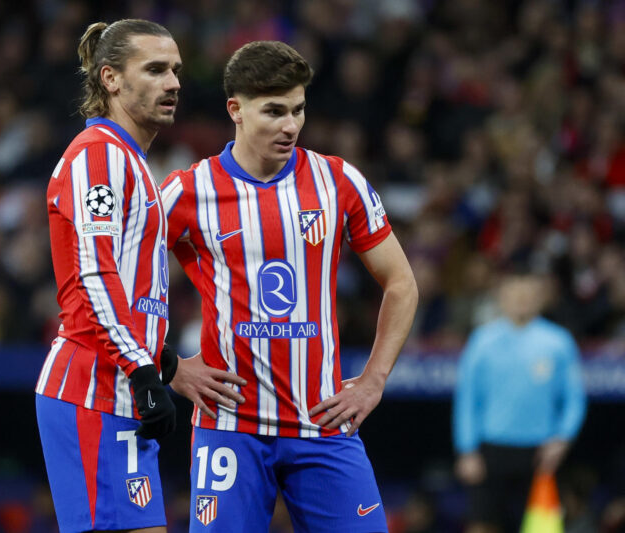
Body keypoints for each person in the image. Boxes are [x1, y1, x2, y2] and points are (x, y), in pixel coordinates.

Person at [160, 41, 418, 532]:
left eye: (298, 109)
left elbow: (401, 284)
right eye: (274, 111)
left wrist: (373, 380)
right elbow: (119, 286)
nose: (291, 125)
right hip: (231, 428)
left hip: (322, 424)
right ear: (235, 109)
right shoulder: (186, 192)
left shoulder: (337, 181)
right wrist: (169, 366)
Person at [35, 19, 243, 533]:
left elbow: (127, 291)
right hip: (92, 389)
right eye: (154, 69)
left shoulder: (129, 161)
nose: (173, 82)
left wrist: (163, 364)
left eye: (174, 70)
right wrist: (145, 371)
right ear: (110, 78)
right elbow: (93, 275)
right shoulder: (98, 157)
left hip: (122, 384)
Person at [453, 271, 587, 533]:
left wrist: (562, 439)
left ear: (540, 298)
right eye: (515, 294)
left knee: (542, 527)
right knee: (482, 525)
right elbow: (467, 399)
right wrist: (467, 449)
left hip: (541, 453)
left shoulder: (558, 342)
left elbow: (574, 399)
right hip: (491, 450)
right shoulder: (482, 341)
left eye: (528, 294)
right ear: (501, 297)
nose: (521, 300)